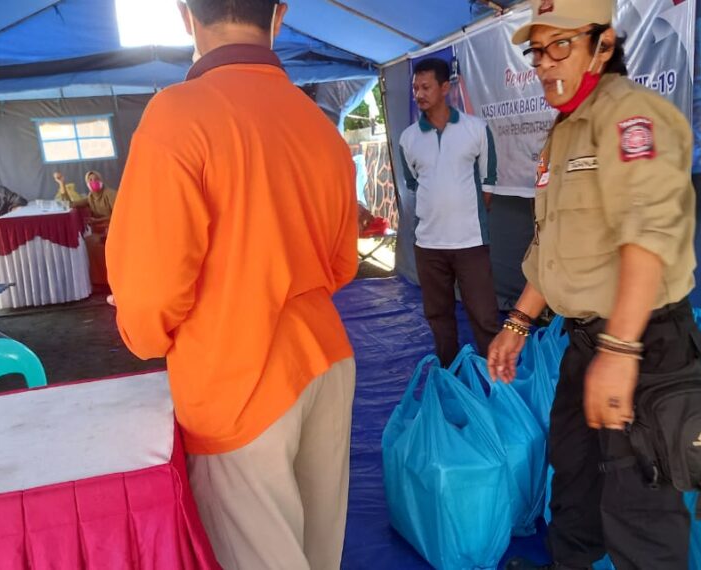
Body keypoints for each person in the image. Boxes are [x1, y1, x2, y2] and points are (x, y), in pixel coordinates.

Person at [105, 1, 358, 568]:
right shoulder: (318, 123)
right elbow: (342, 264)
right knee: (319, 555)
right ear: (280, 15)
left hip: (237, 378)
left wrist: (145, 331)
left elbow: (149, 296)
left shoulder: (176, 115)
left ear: (185, 15)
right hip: (327, 361)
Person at [491, 1, 701, 568]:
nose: (543, 63)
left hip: (644, 345)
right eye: (537, 51)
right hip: (588, 344)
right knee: (576, 484)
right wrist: (518, 322)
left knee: (641, 505)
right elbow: (553, 243)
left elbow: (648, 236)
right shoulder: (562, 134)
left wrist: (620, 348)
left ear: (602, 46)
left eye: (560, 45)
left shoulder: (634, 117)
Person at [399, 57, 501, 366]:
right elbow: (414, 184)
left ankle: (497, 382)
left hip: (470, 244)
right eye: (416, 88)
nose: (419, 94)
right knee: (439, 318)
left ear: (445, 88)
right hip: (428, 246)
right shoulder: (408, 138)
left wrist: (465, 219)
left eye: (426, 87)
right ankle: (451, 377)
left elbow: (488, 181)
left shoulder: (476, 129)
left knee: (484, 316)